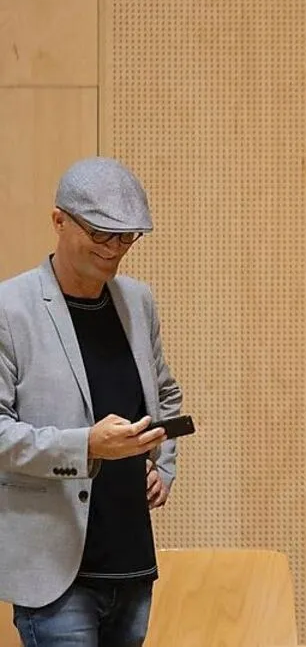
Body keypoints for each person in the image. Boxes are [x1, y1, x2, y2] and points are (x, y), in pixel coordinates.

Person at [0, 156, 182, 646]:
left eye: (125, 237)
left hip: (131, 560)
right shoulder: (9, 309)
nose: (113, 249)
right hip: (54, 572)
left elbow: (164, 394)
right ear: (59, 220)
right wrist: (86, 446)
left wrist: (163, 465)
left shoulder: (137, 301)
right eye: (101, 233)